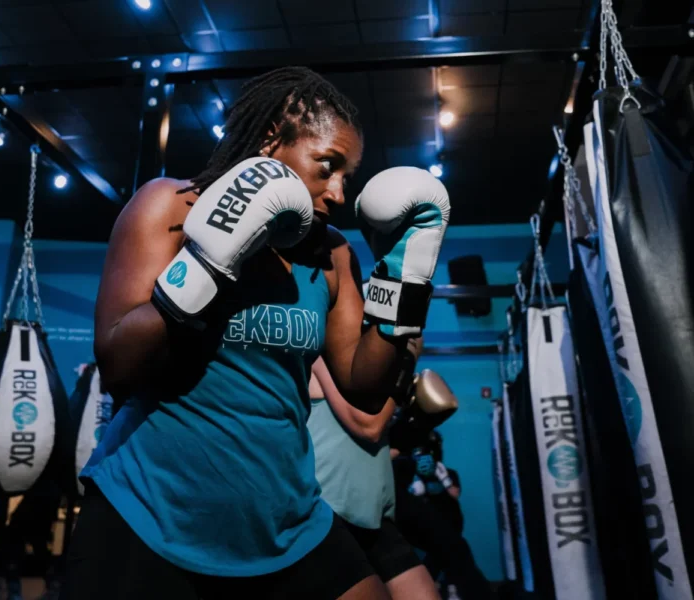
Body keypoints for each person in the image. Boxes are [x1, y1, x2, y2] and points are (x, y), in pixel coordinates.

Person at [62, 65, 450, 600]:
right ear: (273, 142)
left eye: (348, 176)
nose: (339, 192)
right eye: (328, 166)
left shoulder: (331, 253)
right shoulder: (171, 206)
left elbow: (363, 386)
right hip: (151, 507)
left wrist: (406, 276)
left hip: (285, 515)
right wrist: (208, 262)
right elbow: (118, 365)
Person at [308, 335, 456, 600]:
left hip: (372, 514)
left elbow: (379, 448)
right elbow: (369, 425)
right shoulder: (322, 354)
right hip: (330, 514)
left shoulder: (370, 369)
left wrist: (416, 427)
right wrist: (406, 359)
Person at [392, 423, 492, 600]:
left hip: (445, 527)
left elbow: (454, 494)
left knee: (451, 556)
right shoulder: (403, 472)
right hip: (414, 532)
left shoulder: (445, 472)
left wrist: (439, 480)